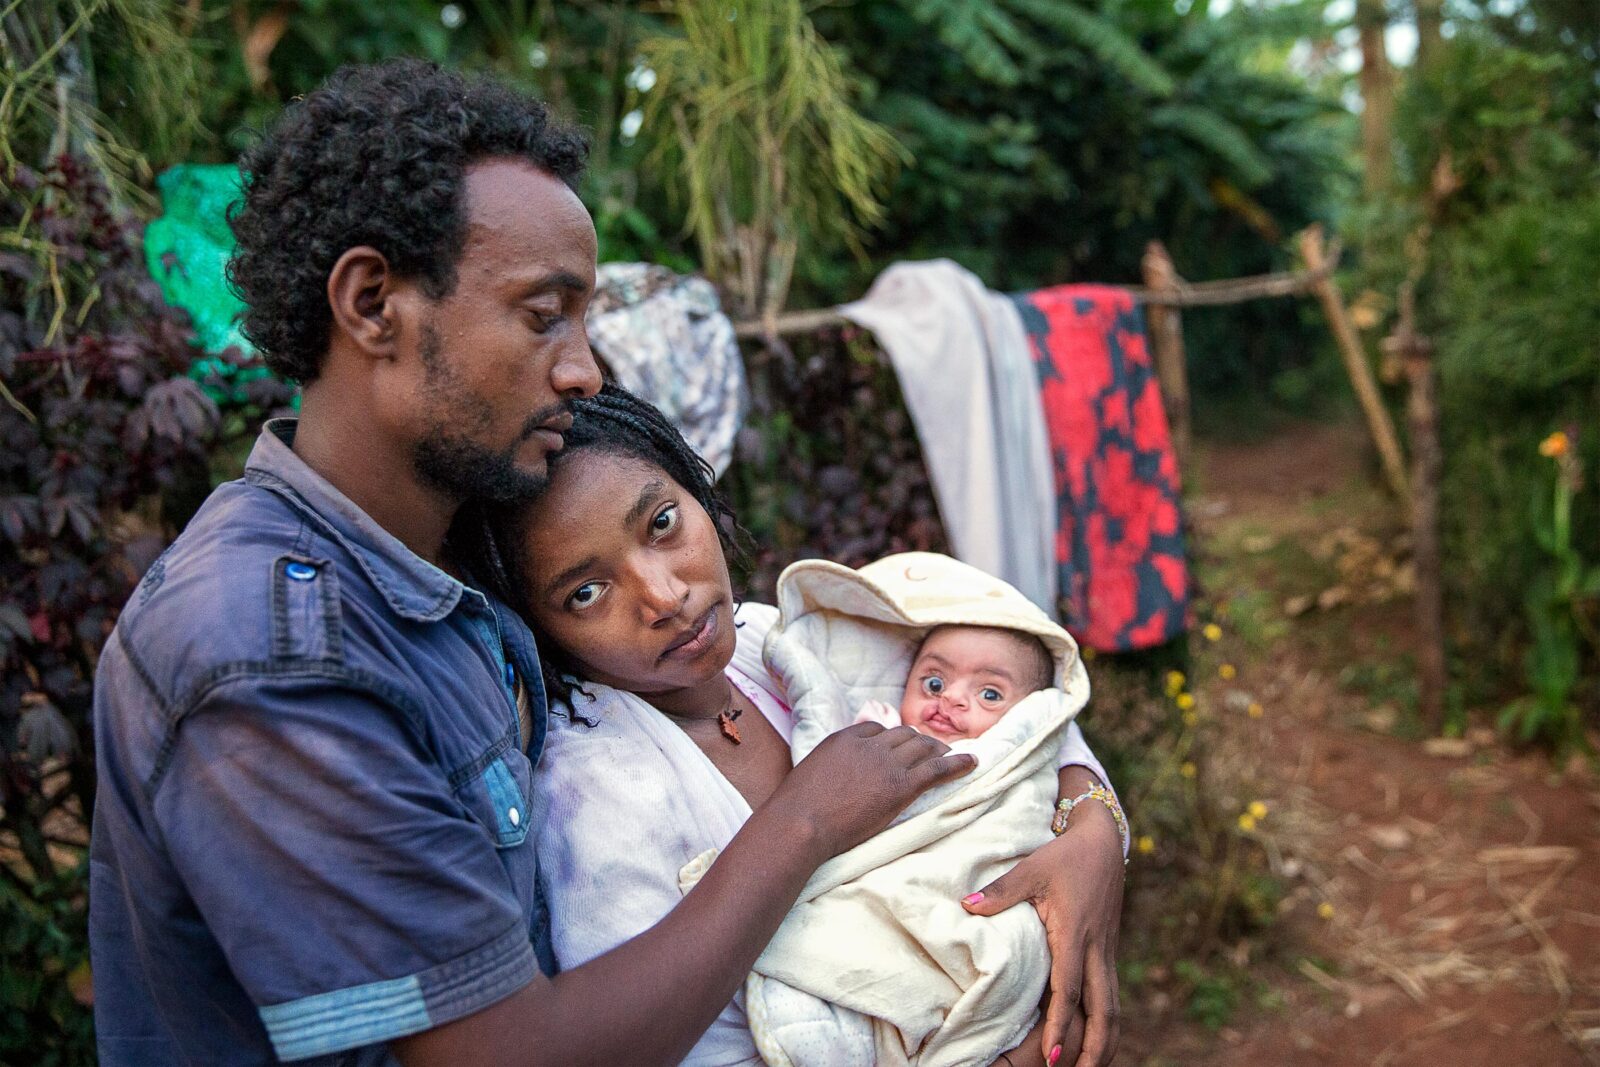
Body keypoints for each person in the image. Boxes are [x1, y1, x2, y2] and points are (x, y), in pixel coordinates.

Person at [88, 60, 975, 1066]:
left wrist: (1078, 823)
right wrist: (804, 818)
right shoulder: (268, 650)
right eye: (542, 312)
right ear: (373, 303)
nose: (584, 368)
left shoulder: (450, 566)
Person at [468, 385, 1128, 1067]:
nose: (665, 596)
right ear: (538, 629)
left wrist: (1093, 827)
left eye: (662, 523)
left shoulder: (767, 642)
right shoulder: (596, 796)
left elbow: (1006, 703)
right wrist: (805, 817)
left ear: (699, 492)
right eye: (586, 591)